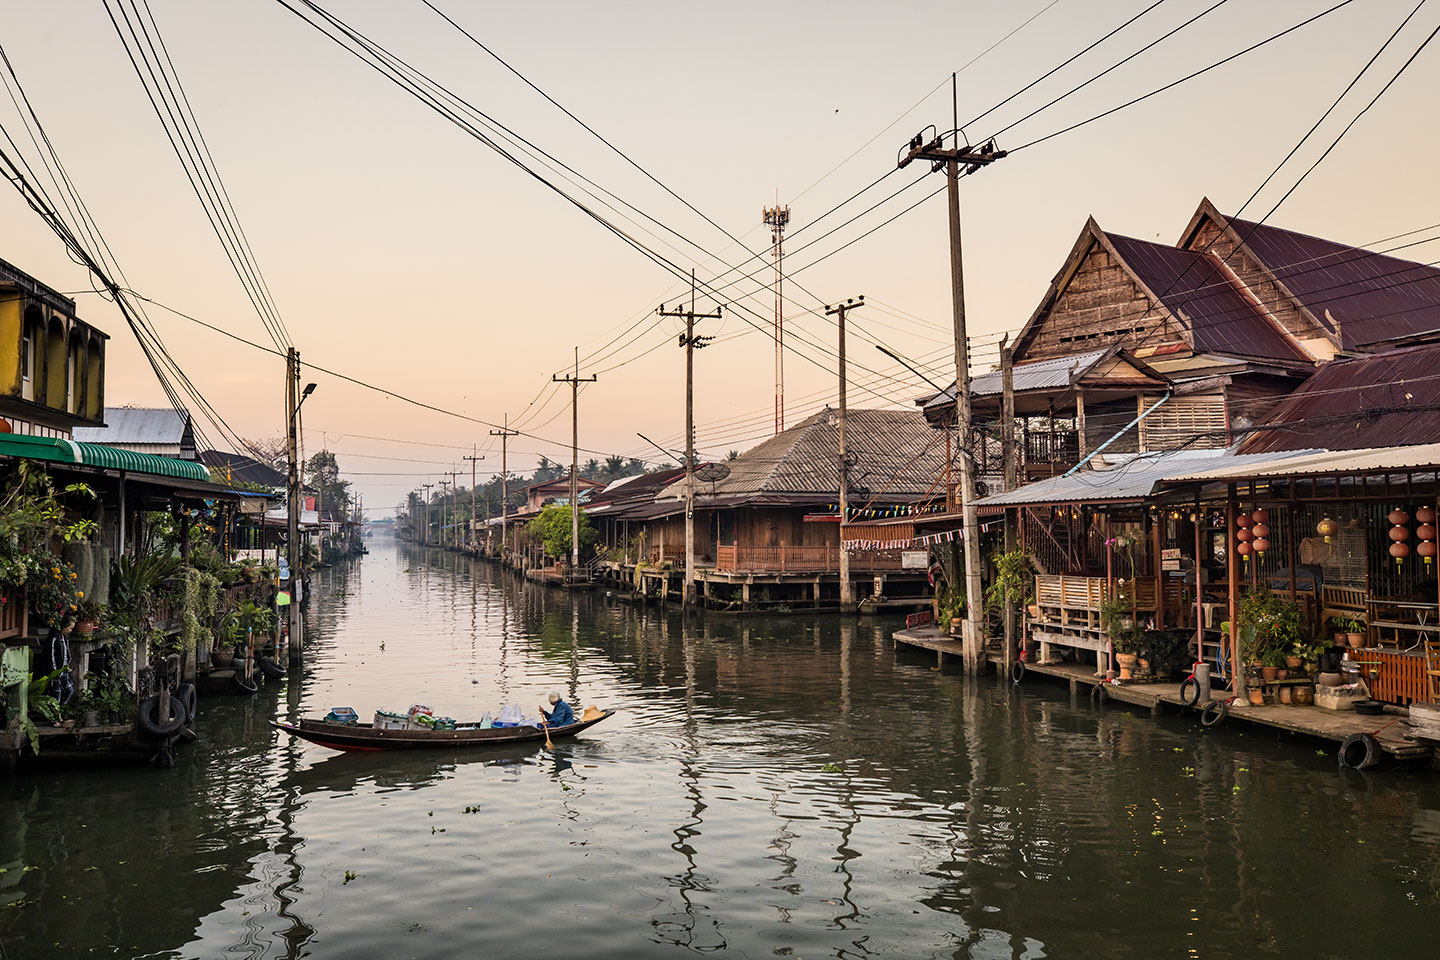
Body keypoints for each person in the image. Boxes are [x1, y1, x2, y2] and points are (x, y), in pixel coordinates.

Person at [41, 615, 77, 706]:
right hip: (55, 672)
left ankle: (61, 709)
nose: (70, 630)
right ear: (64, 626)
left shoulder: (64, 638)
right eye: (70, 628)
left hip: (63, 670)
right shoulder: (54, 637)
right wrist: (54, 671)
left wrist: (67, 665)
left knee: (70, 691)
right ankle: (56, 713)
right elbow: (50, 655)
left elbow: (66, 654)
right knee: (57, 695)